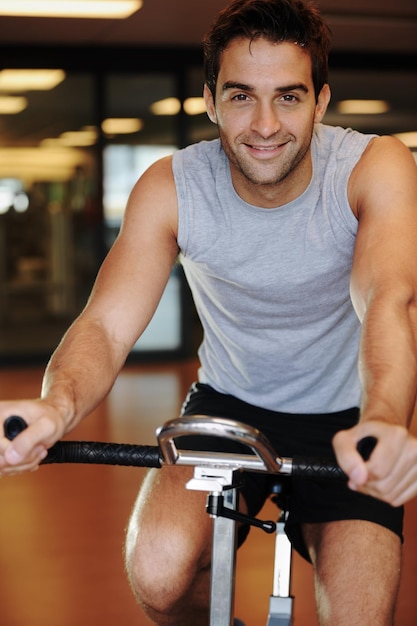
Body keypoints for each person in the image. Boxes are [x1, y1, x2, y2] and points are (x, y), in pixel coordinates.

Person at [1, 0, 417, 623]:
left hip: (351, 412)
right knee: (158, 573)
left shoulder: (372, 166)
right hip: (231, 404)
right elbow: (106, 326)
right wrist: (55, 406)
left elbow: (388, 295)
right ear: (210, 101)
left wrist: (384, 416)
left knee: (360, 616)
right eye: (242, 96)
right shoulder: (172, 185)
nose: (266, 124)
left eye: (290, 97)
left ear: (322, 102)